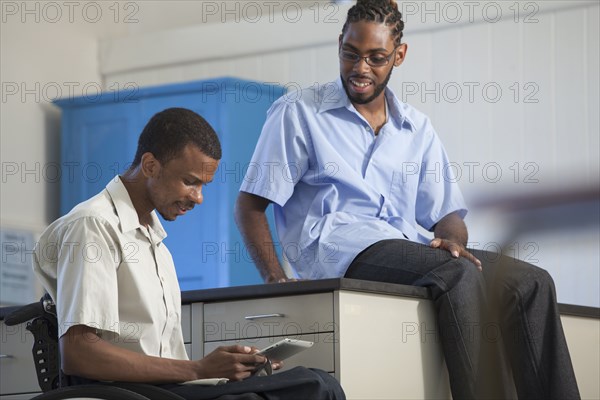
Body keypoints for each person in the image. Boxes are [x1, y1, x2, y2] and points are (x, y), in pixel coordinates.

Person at [234, 1, 580, 399]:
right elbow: (250, 204)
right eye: (350, 54)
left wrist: (453, 240)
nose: (360, 68)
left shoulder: (416, 127)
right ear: (339, 45)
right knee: (458, 274)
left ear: (399, 55)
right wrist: (276, 279)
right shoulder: (299, 112)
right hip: (339, 248)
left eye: (376, 58)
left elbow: (447, 214)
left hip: (406, 246)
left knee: (532, 282)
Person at [32, 107, 345, 400]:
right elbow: (78, 354)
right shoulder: (93, 225)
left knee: (316, 381)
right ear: (150, 165)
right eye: (190, 182)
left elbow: (165, 362)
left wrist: (223, 370)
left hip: (167, 388)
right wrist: (199, 369)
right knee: (312, 387)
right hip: (127, 392)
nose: (198, 198)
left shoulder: (154, 241)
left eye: (203, 185)